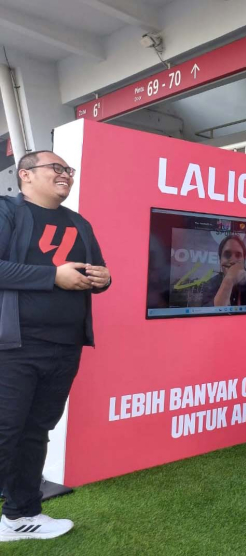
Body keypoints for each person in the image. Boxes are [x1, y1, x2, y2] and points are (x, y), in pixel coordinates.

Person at [0, 151, 111, 542]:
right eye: (56, 168)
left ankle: (21, 515)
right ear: (25, 175)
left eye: (69, 170)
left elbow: (98, 270)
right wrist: (53, 276)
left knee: (35, 431)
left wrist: (103, 277)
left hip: (65, 347)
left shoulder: (79, 222)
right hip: (12, 346)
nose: (66, 175)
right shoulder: (6, 212)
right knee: (4, 430)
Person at [200, 235, 246, 307]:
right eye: (227, 255)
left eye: (238, 255)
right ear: (220, 260)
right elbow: (208, 315)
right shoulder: (210, 284)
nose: (233, 261)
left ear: (244, 260)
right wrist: (229, 280)